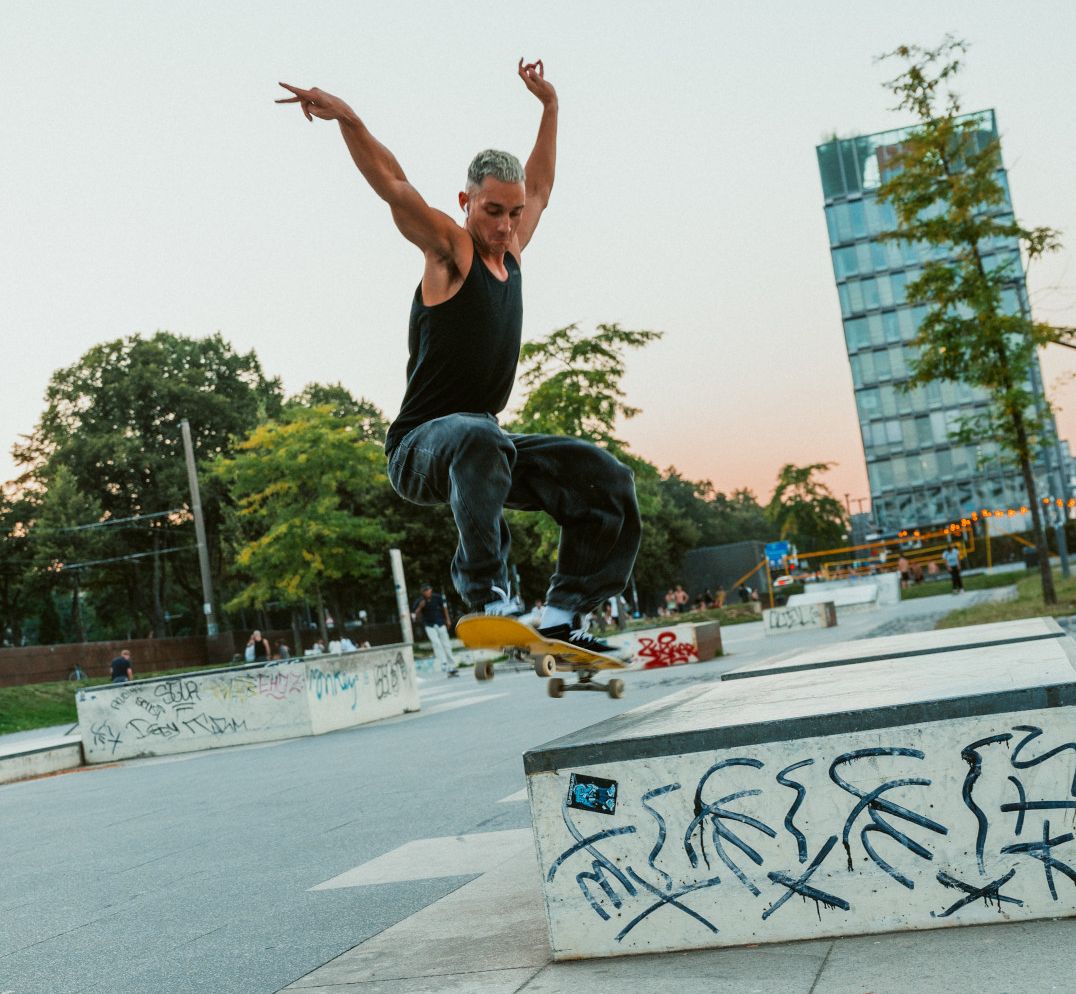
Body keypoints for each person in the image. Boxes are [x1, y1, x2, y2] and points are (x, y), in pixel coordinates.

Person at [278, 60, 640, 655]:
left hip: (484, 448)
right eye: (492, 211)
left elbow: (543, 184)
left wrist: (549, 107)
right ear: (467, 202)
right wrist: (350, 119)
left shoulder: (516, 248)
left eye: (513, 213)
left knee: (604, 478)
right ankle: (489, 594)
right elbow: (394, 185)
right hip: (421, 448)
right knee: (479, 435)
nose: (504, 226)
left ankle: (564, 611)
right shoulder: (452, 249)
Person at [412, 583, 459, 677]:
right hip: (429, 625)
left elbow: (444, 608)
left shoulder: (437, 597)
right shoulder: (419, 601)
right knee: (436, 643)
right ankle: (444, 662)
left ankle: (452, 665)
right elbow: (415, 617)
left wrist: (448, 619)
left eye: (429, 590)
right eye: (426, 591)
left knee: (446, 644)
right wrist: (420, 607)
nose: (428, 592)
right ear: (422, 592)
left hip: (440, 622)